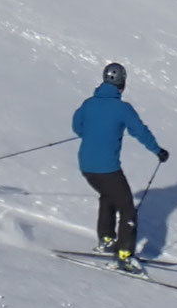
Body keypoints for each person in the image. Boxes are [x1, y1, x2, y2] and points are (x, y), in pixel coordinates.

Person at [71, 61, 168, 270]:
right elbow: (140, 131)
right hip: (107, 168)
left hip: (86, 166)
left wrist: (92, 134)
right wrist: (158, 150)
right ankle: (124, 254)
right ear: (122, 84)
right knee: (127, 210)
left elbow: (77, 126)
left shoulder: (88, 104)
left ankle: (106, 239)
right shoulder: (123, 109)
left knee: (108, 196)